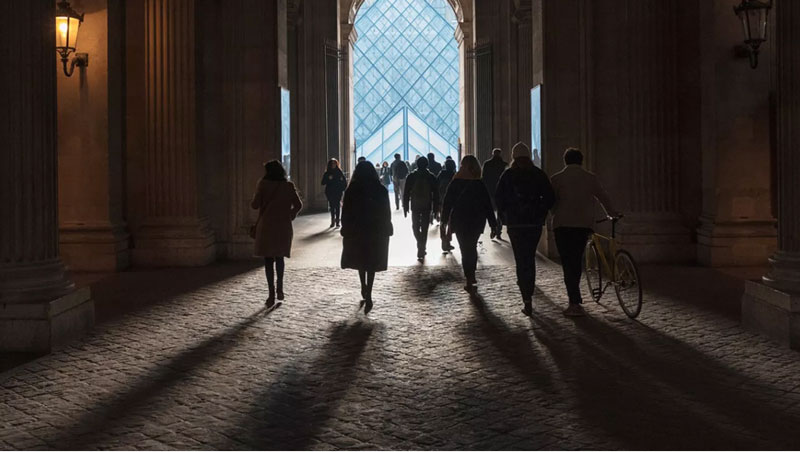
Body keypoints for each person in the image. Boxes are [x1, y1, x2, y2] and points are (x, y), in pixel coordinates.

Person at [550, 147, 618, 317]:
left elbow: (552, 203)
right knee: (576, 259)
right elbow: (603, 197)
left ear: (565, 161)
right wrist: (612, 213)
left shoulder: (556, 178)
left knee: (567, 262)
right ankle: (576, 299)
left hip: (562, 225)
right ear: (581, 160)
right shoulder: (590, 178)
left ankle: (574, 301)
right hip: (582, 224)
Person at [495, 142, 555, 316]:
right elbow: (550, 197)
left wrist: (504, 216)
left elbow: (499, 198)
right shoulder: (538, 174)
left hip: (515, 223)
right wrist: (541, 212)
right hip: (534, 223)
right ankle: (529, 287)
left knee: (521, 259)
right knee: (529, 257)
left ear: (514, 157)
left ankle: (526, 297)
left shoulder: (507, 175)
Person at [341, 161, 393, 315]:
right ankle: (369, 291)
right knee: (372, 260)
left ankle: (363, 285)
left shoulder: (351, 190)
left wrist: (345, 226)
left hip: (357, 229)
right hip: (375, 229)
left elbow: (346, 212)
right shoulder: (381, 190)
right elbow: (386, 211)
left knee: (360, 259)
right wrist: (387, 226)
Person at [441, 156, 497, 293]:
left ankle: (469, 277)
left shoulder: (455, 183)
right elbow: (488, 205)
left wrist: (443, 221)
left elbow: (447, 203)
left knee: (465, 248)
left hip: (460, 220)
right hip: (477, 220)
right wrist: (493, 224)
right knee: (471, 247)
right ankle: (471, 274)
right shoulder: (479, 184)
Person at [251, 160, 303, 308]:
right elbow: (299, 205)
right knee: (280, 258)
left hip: (266, 226)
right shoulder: (288, 186)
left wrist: (258, 191)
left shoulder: (263, 185)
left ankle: (271, 294)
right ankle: (280, 288)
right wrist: (291, 215)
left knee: (268, 260)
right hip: (283, 226)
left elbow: (254, 205)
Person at [403, 156, 439, 260]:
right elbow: (435, 194)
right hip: (427, 205)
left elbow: (406, 192)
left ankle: (420, 245)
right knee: (424, 227)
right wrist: (436, 208)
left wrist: (406, 206)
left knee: (415, 227)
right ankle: (422, 246)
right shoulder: (431, 177)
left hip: (415, 205)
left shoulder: (412, 176)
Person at [482, 148, 508, 240]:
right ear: (500, 154)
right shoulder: (504, 165)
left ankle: (493, 227)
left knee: (491, 210)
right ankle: (498, 230)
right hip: (501, 192)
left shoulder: (487, 164)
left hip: (490, 190)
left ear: (492, 154)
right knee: (500, 211)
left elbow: (483, 178)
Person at [437, 158, 457, 252]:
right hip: (452, 202)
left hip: (442, 201)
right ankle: (448, 240)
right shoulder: (455, 175)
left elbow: (436, 188)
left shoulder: (441, 174)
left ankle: (443, 239)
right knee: (451, 222)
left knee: (443, 220)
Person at [321, 158, 347, 228]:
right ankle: (332, 221)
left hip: (338, 191)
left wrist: (342, 189)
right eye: (332, 164)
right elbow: (322, 182)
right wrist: (328, 178)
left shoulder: (339, 172)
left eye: (335, 163)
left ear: (337, 164)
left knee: (337, 206)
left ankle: (337, 221)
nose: (333, 165)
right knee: (332, 206)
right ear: (330, 165)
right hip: (330, 192)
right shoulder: (327, 173)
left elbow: (344, 183)